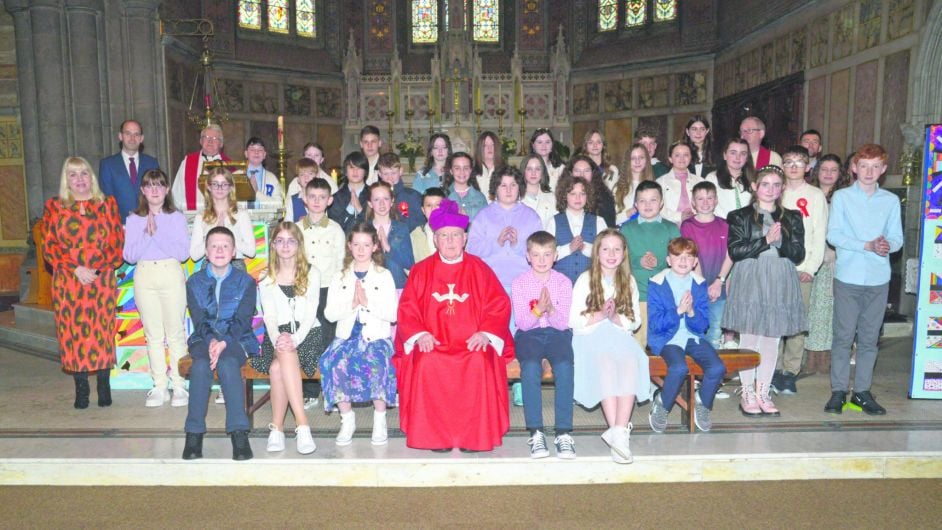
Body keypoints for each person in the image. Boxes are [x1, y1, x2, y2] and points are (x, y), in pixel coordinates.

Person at [394, 199, 515, 452]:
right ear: (435, 240)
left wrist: (486, 333)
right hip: (433, 342)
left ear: (465, 238)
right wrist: (419, 334)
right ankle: (435, 436)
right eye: (444, 236)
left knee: (480, 361)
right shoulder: (421, 271)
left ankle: (474, 436)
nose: (450, 241)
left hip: (473, 343)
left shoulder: (480, 269)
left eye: (455, 236)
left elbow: (499, 304)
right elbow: (407, 309)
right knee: (426, 362)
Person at [825, 144, 903, 415]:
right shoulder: (843, 198)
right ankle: (837, 391)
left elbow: (897, 239)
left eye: (875, 166)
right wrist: (865, 245)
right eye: (864, 166)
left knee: (870, 339)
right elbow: (833, 235)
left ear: (883, 170)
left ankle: (861, 392)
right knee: (843, 336)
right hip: (849, 276)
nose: (869, 172)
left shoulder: (890, 201)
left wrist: (886, 246)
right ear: (854, 168)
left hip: (879, 278)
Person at [42, 157, 124, 409]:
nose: (79, 179)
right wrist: (76, 268)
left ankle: (103, 383)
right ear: (66, 179)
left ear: (92, 177)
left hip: (101, 279)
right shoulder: (54, 206)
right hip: (69, 280)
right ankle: (81, 387)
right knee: (73, 333)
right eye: (73, 174)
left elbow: (117, 242)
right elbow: (49, 245)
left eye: (84, 173)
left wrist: (96, 269)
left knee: (101, 331)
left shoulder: (107, 204)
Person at [724, 166, 806, 418]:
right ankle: (747, 391)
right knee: (749, 338)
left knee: (772, 339)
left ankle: (763, 392)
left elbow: (798, 254)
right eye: (765, 184)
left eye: (775, 185)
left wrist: (780, 242)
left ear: (782, 188)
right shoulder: (739, 215)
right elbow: (736, 251)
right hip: (751, 276)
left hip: (779, 278)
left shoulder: (792, 217)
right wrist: (765, 241)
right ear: (754, 187)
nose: (770, 189)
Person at [570, 228, 649, 464]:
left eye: (617, 249)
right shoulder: (585, 279)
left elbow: (635, 320)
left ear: (624, 253)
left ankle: (618, 432)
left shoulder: (629, 281)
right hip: (590, 335)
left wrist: (615, 318)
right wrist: (601, 315)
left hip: (617, 333)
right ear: (597, 253)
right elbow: (573, 320)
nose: (611, 253)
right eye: (606, 249)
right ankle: (619, 433)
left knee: (630, 361)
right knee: (604, 361)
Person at [181, 226, 258, 461]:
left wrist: (223, 342)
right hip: (204, 339)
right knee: (201, 367)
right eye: (214, 245)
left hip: (237, 338)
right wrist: (212, 340)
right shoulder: (194, 282)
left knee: (227, 365)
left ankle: (238, 432)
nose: (220, 250)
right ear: (205, 251)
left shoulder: (246, 282)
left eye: (225, 245)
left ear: (234, 251)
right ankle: (194, 433)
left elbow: (243, 320)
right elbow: (199, 319)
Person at [320, 223, 399, 445]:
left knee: (378, 362)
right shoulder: (340, 277)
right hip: (346, 336)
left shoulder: (384, 276)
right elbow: (330, 314)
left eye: (366, 244)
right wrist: (352, 303)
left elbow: (393, 314)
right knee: (332, 361)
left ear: (375, 246)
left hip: (376, 337)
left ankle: (380, 419)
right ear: (349, 246)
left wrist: (368, 302)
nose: (361, 249)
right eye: (356, 244)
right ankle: (347, 419)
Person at [252, 222, 325, 455]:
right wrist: (278, 338)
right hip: (277, 335)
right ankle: (302, 426)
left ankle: (278, 428)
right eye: (280, 240)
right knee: (283, 352)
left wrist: (294, 338)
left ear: (298, 245)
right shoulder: (266, 276)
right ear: (273, 245)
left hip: (308, 333)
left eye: (290, 240)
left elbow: (311, 313)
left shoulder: (312, 272)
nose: (285, 245)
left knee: (276, 370)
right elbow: (270, 316)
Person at [122, 169, 190, 408]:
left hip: (170, 273)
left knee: (175, 332)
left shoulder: (177, 217)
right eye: (149, 186)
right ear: (142, 190)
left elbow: (182, 253)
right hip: (145, 275)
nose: (154, 190)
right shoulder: (133, 218)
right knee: (153, 334)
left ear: (167, 190)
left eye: (159, 185)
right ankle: (159, 385)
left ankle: (179, 384)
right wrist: (145, 234)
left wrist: (157, 234)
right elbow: (129, 256)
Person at [647, 237, 725, 433]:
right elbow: (655, 324)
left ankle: (703, 403)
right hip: (668, 338)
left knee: (717, 367)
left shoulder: (699, 283)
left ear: (695, 262)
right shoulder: (657, 283)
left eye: (688, 257)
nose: (683, 261)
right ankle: (662, 405)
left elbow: (702, 325)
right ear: (668, 260)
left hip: (693, 337)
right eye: (677, 256)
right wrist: (678, 311)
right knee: (679, 367)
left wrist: (691, 313)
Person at [511, 231, 575, 459]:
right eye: (536, 255)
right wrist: (538, 309)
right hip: (530, 334)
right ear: (527, 256)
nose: (541, 260)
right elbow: (523, 323)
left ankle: (564, 432)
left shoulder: (564, 282)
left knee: (565, 366)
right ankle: (536, 431)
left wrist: (550, 309)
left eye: (547, 254)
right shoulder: (519, 283)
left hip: (557, 333)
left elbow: (563, 323)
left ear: (556, 256)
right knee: (529, 367)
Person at [774, 146, 828, 395]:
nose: (793, 166)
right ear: (782, 165)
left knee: (795, 322)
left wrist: (810, 267)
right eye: (788, 161)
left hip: (802, 268)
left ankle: (789, 371)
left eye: (799, 162)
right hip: (775, 267)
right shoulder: (775, 190)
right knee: (773, 320)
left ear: (808, 167)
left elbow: (819, 234)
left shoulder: (815, 195)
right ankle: (772, 368)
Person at [297, 177, 345, 409]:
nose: (317, 201)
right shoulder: (296, 229)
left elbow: (340, 263)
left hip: (328, 290)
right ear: (304, 198)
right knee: (306, 337)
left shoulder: (335, 230)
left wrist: (337, 293)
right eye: (312, 197)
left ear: (330, 200)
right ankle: (309, 389)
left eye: (322, 197)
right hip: (304, 290)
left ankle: (330, 388)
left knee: (328, 339)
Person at [620, 180, 681, 348]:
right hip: (637, 294)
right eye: (642, 200)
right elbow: (618, 260)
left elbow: (680, 261)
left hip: (664, 297)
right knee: (637, 344)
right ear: (635, 204)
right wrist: (638, 261)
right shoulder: (626, 229)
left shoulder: (671, 229)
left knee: (664, 344)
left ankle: (661, 374)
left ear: (661, 203)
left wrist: (660, 262)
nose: (648, 205)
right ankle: (638, 374)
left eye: (653, 200)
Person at [805, 155, 851, 371]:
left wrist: (832, 251)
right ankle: (806, 356)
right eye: (824, 169)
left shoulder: (844, 197)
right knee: (809, 307)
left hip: (833, 259)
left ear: (840, 173)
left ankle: (824, 359)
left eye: (834, 170)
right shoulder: (809, 194)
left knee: (827, 308)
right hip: (808, 256)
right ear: (817, 171)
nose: (829, 174)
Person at [467, 166, 543, 291]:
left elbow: (540, 251)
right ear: (495, 189)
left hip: (524, 283)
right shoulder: (483, 216)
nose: (508, 190)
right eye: (503, 185)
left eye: (513, 185)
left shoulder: (531, 216)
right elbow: (471, 250)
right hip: (490, 283)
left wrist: (517, 245)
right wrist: (496, 243)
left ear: (520, 188)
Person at [680, 181, 733, 349]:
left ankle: (712, 374)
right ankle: (695, 374)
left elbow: (730, 255)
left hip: (719, 288)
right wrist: (702, 285)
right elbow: (690, 256)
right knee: (696, 332)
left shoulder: (725, 225)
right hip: (695, 288)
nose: (705, 202)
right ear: (693, 203)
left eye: (710, 198)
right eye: (700, 199)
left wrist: (719, 282)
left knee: (715, 332)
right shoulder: (688, 226)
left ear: (716, 201)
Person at [545, 176, 607, 284]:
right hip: (559, 284)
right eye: (573, 194)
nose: (578, 198)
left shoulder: (599, 221)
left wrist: (586, 248)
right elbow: (545, 253)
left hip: (591, 284)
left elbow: (607, 253)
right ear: (564, 196)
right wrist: (569, 248)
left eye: (582, 194)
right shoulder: (553, 221)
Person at [189, 167, 256, 266]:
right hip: (209, 265)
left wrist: (228, 237)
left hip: (235, 264)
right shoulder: (201, 217)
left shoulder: (241, 215)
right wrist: (212, 236)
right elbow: (194, 255)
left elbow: (251, 251)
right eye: (215, 184)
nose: (220, 188)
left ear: (231, 187)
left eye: (224, 184)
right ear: (208, 187)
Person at [98, 119, 159, 220]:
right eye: (128, 133)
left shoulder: (152, 163)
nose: (132, 138)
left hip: (148, 223)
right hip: (119, 225)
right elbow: (106, 199)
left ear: (141, 138)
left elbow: (157, 195)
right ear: (120, 136)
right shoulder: (107, 165)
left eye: (136, 134)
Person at [365, 181, 415, 289]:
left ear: (392, 201)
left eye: (386, 199)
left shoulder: (401, 229)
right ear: (370, 203)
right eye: (377, 199)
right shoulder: (364, 229)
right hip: (371, 287)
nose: (382, 204)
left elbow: (410, 263)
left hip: (397, 287)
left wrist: (388, 248)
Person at [171, 123, 230, 211]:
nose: (210, 141)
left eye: (214, 138)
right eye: (206, 137)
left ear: (221, 144)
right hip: (192, 217)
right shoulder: (188, 162)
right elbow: (176, 193)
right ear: (200, 141)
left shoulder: (229, 165)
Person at [656, 141, 704, 225]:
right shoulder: (660, 182)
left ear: (690, 157)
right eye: (677, 155)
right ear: (670, 159)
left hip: (696, 226)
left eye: (686, 155)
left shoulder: (700, 181)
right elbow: (657, 208)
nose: (682, 159)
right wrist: (680, 216)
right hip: (669, 226)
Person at [377, 152, 426, 231]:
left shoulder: (412, 196)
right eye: (386, 174)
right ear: (379, 174)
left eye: (393, 173)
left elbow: (423, 220)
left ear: (400, 171)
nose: (390, 178)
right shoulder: (375, 196)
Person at [706, 138, 754, 219]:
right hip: (722, 227)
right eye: (733, 153)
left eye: (743, 153)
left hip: (747, 227)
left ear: (747, 158)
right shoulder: (712, 178)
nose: (738, 157)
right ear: (725, 155)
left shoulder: (754, 179)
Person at [328, 151, 371, 233]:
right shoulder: (336, 198)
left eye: (359, 168)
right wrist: (350, 208)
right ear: (346, 171)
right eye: (351, 167)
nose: (355, 172)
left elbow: (375, 224)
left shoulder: (373, 195)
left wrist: (360, 210)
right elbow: (333, 228)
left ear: (365, 172)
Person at [569, 155, 616, 227]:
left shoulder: (605, 196)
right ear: (570, 173)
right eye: (577, 171)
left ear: (593, 173)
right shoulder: (564, 194)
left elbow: (609, 228)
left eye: (587, 171)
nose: (582, 175)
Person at [614, 143, 654, 226]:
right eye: (633, 158)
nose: (637, 161)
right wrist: (627, 214)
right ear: (628, 161)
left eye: (641, 157)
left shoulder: (654, 186)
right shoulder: (618, 187)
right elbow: (611, 220)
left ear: (647, 160)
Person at [442, 152, 487, 220]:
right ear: (451, 171)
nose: (462, 172)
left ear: (470, 170)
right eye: (457, 168)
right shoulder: (443, 196)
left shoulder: (480, 197)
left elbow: (486, 223)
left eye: (466, 168)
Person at [243, 137, 284, 209]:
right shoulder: (236, 176)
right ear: (246, 153)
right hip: (242, 219)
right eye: (252, 149)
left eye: (260, 149)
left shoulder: (272, 178)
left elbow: (279, 205)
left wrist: (257, 193)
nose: (256, 152)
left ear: (264, 154)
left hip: (266, 219)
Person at [410, 187, 446, 262]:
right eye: (429, 205)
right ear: (423, 210)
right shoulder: (415, 235)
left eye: (438, 205)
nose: (433, 209)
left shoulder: (455, 233)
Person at [519, 154, 557, 226]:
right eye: (529, 169)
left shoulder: (552, 197)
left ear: (542, 172)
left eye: (537, 169)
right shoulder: (516, 197)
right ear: (523, 171)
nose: (533, 173)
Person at [284, 157, 321, 222]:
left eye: (310, 174)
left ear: (317, 177)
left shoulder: (322, 198)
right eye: (302, 174)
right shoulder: (292, 201)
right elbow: (288, 224)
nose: (306, 177)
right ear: (298, 179)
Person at [473, 131, 504, 197]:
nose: (489, 148)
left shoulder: (505, 170)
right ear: (480, 148)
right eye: (485, 145)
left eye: (492, 145)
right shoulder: (472, 172)